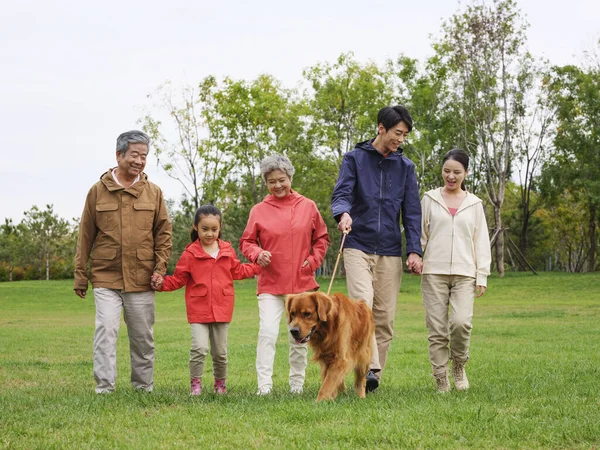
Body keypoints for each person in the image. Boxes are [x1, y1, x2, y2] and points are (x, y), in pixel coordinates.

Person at [331, 105, 423, 393]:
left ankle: (371, 380)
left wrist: (414, 250)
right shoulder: (355, 159)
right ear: (381, 128)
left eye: (405, 135)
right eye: (398, 133)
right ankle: (369, 367)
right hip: (357, 243)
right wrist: (343, 214)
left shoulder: (405, 167)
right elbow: (342, 193)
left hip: (390, 249)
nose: (401, 140)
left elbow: (412, 212)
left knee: (384, 317)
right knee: (363, 305)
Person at [73, 130, 172, 394]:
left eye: (144, 156)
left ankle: (143, 387)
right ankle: (105, 388)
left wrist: (160, 268)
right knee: (105, 331)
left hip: (142, 277)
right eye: (134, 155)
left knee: (142, 338)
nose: (140, 160)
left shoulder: (154, 193)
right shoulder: (97, 192)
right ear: (119, 155)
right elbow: (85, 236)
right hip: (106, 276)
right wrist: (80, 275)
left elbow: (164, 234)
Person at [240, 154, 330, 395]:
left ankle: (297, 386)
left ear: (290, 177)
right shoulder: (258, 210)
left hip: (302, 285)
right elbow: (246, 241)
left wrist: (312, 261)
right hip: (270, 284)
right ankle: (264, 387)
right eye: (271, 181)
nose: (278, 185)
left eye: (282, 179)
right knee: (267, 333)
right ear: (266, 183)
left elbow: (321, 238)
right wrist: (257, 253)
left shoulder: (308, 206)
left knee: (299, 338)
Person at [152, 205, 261, 395]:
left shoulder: (227, 250)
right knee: (199, 348)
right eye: (205, 229)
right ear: (196, 227)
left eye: (214, 229)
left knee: (220, 352)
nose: (209, 233)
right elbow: (178, 279)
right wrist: (161, 283)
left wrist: (257, 266)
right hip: (198, 309)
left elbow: (238, 271)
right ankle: (196, 384)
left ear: (219, 228)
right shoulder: (190, 254)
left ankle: (220, 385)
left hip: (222, 308)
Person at [420, 149, 491, 392]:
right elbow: (421, 234)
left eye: (456, 172)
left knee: (461, 323)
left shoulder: (475, 204)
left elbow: (480, 240)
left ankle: (459, 365)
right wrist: (416, 257)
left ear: (466, 173)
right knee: (437, 329)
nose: (451, 176)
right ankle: (441, 378)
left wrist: (482, 274)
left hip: (465, 272)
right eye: (447, 171)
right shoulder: (429, 199)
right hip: (433, 272)